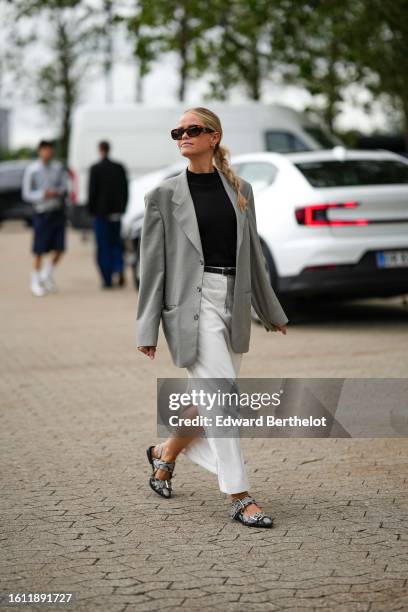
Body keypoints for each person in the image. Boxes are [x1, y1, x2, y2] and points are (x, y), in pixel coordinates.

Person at [136, 107, 289, 528]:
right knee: (223, 401)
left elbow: (254, 257)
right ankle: (239, 495)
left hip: (233, 301)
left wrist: (270, 309)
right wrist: (146, 327)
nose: (183, 136)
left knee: (208, 401)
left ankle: (164, 454)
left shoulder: (241, 190)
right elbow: (153, 269)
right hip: (191, 307)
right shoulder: (163, 196)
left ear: (213, 137)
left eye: (193, 129)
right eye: (178, 131)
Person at [22, 140, 68, 297]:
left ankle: (46, 274)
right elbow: (26, 193)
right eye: (45, 150)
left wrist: (57, 192)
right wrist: (42, 194)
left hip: (57, 211)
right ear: (39, 151)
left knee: (60, 248)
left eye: (50, 150)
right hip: (42, 212)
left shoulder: (57, 168)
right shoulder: (32, 170)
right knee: (39, 249)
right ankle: (35, 279)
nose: (47, 153)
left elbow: (65, 186)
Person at [87, 141, 128, 289]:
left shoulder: (95, 169)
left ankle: (107, 279)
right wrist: (122, 208)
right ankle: (119, 268)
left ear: (99, 150)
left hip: (101, 214)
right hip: (116, 213)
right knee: (116, 244)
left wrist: (91, 210)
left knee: (103, 246)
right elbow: (125, 189)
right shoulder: (119, 168)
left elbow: (92, 192)